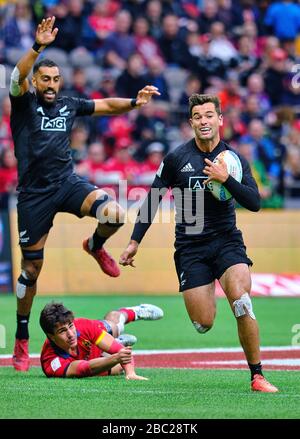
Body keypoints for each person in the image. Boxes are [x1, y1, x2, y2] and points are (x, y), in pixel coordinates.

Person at [9, 16, 160, 372]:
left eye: (56, 79)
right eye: (45, 79)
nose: (51, 84)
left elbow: (105, 105)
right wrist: (37, 47)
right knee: (31, 269)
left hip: (66, 184)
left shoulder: (68, 104)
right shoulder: (23, 103)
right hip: (34, 195)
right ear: (36, 81)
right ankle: (21, 335)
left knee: (116, 214)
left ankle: (94, 245)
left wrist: (135, 103)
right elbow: (15, 78)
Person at [120, 94, 279, 393]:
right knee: (203, 323)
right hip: (191, 248)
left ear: (220, 120)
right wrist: (133, 242)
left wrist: (225, 179)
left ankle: (257, 376)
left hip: (227, 242)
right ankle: (208, 292)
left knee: (242, 302)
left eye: (209, 115)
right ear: (190, 121)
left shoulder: (233, 159)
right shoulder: (177, 159)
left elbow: (255, 202)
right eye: (198, 116)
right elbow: (152, 199)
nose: (204, 121)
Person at [40, 302, 163, 379]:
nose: (71, 334)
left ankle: (132, 312)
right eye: (62, 331)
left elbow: (121, 351)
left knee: (115, 326)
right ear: (51, 336)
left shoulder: (83, 326)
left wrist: (130, 373)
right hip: (92, 360)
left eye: (71, 326)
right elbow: (85, 369)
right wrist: (117, 358)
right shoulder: (51, 362)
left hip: (94, 343)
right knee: (118, 368)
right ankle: (118, 341)